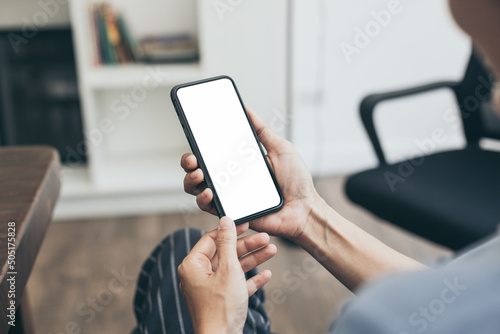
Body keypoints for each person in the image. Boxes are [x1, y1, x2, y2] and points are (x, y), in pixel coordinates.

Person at [132, 0, 500, 333]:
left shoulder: (380, 321)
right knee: (187, 248)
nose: (492, 98)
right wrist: (307, 215)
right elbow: (445, 295)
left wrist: (217, 323)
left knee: (183, 260)